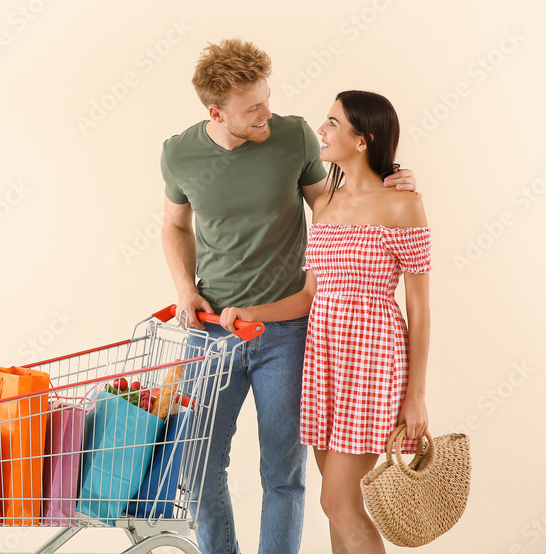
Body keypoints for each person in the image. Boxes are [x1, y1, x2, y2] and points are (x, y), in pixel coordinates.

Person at [160, 39, 416, 554]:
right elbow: (174, 225)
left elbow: (329, 205)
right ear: (217, 112)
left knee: (284, 471)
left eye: (267, 99)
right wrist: (185, 289)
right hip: (212, 334)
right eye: (253, 108)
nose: (267, 114)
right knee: (198, 466)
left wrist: (387, 182)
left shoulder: (294, 137)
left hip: (291, 331)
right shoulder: (179, 153)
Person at [220, 90, 430, 553]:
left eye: (333, 123)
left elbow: (419, 308)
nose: (322, 129)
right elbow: (310, 295)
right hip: (324, 362)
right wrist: (254, 312)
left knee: (337, 501)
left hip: (373, 364)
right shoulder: (327, 203)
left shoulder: (404, 205)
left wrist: (415, 396)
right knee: (339, 505)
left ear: (362, 140)